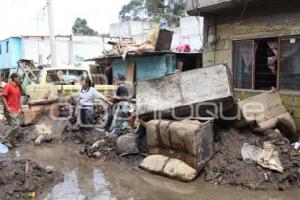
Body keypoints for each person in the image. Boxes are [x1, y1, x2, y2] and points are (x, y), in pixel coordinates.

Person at [1, 73, 22, 149]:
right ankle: (6, 140)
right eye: (19, 78)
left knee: (16, 126)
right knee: (15, 125)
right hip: (9, 110)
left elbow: (19, 99)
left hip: (16, 110)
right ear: (14, 78)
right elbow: (3, 96)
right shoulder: (8, 86)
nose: (20, 79)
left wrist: (20, 108)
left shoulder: (18, 88)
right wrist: (7, 107)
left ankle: (12, 142)